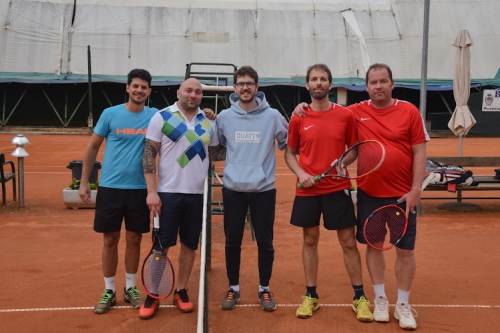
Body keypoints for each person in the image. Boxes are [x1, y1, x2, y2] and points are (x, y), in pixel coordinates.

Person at [293, 63, 428, 330]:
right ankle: (379, 298)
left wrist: (416, 189)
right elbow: (325, 113)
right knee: (374, 246)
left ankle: (402, 304)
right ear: (366, 87)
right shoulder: (354, 112)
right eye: (373, 82)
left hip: (403, 195)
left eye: (383, 81)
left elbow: (420, 152)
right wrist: (300, 107)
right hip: (369, 193)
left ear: (392, 83)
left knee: (405, 251)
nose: (379, 86)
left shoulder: (410, 111)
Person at [284, 64, 373, 322]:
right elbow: (290, 153)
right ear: (307, 85)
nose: (319, 83)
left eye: (323, 79)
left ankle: (359, 297)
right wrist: (301, 174)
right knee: (309, 240)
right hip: (308, 190)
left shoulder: (345, 115)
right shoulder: (298, 117)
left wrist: (343, 163)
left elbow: (353, 148)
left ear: (330, 85)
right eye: (314, 79)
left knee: (347, 242)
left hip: (338, 188)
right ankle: (311, 295)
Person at [139, 78, 219, 319]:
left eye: (197, 92)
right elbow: (148, 154)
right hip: (168, 192)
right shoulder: (162, 117)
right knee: (161, 246)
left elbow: (215, 153)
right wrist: (152, 192)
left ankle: (181, 290)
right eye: (188, 90)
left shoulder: (208, 122)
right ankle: (153, 293)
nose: (193, 95)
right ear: (179, 92)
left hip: (197, 194)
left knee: (189, 245)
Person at [211, 66, 288, 312]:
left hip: (263, 190)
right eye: (240, 83)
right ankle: (233, 287)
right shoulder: (224, 117)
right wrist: (206, 125)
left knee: (265, 242)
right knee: (232, 242)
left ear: (257, 86)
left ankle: (264, 289)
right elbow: (218, 149)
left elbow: (290, 142)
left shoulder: (273, 116)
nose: (245, 87)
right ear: (234, 88)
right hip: (233, 189)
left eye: (249, 83)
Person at [79, 69, 157, 314]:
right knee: (110, 239)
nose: (139, 90)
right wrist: (84, 182)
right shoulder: (110, 114)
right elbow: (92, 148)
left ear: (149, 91)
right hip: (110, 188)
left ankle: (131, 288)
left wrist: (208, 114)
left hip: (139, 190)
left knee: (134, 239)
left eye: (144, 87)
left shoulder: (155, 116)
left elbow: (182, 114)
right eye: (135, 86)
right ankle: (109, 289)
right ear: (127, 88)